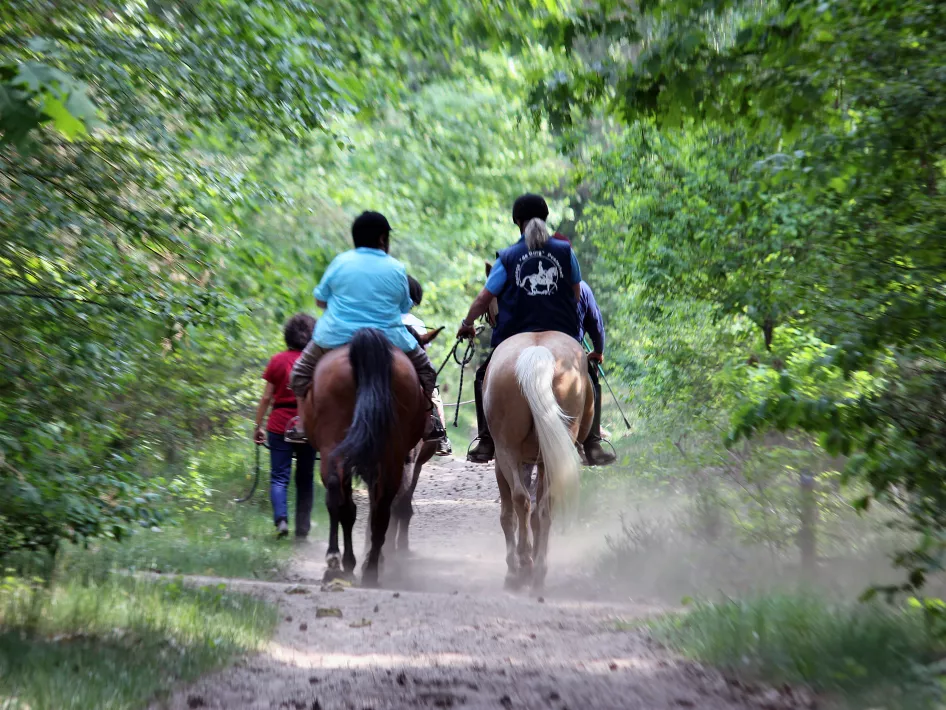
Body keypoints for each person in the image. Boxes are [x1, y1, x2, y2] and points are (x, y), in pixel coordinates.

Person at [287, 211, 445, 443]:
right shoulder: (396, 268)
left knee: (299, 374)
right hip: (390, 337)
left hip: (335, 336)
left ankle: (301, 424)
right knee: (426, 372)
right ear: (382, 239)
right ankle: (430, 421)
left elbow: (320, 301)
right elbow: (403, 306)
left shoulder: (340, 262)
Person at [457, 194, 582, 463]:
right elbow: (576, 294)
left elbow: (483, 299)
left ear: (517, 222)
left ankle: (486, 439)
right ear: (546, 219)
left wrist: (467, 324)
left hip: (514, 334)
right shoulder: (565, 253)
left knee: (482, 376)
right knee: (589, 375)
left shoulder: (508, 257)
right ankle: (592, 439)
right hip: (561, 330)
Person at [253, 313, 318, 538]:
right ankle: (303, 529)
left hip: (279, 424)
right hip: (307, 424)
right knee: (305, 477)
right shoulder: (316, 362)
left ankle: (281, 520)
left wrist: (258, 425)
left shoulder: (277, 360)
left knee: (279, 477)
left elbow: (266, 398)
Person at [404, 276, 453, 457]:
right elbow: (424, 350)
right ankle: (440, 435)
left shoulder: (381, 318)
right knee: (433, 394)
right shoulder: (416, 322)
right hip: (413, 366)